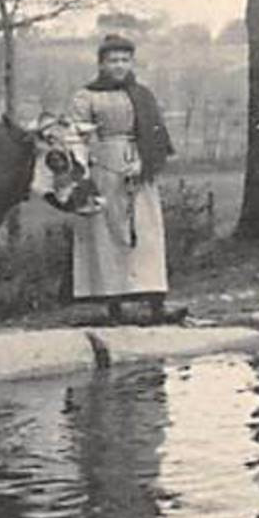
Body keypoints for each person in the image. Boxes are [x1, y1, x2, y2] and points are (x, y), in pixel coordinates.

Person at [68, 33, 181, 324]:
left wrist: (143, 163)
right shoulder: (87, 96)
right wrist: (85, 171)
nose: (119, 66)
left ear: (131, 62)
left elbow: (156, 135)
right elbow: (76, 137)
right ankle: (114, 307)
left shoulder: (142, 94)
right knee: (108, 236)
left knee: (147, 234)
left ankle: (156, 304)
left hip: (139, 168)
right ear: (101, 64)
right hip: (104, 168)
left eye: (124, 60)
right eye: (112, 60)